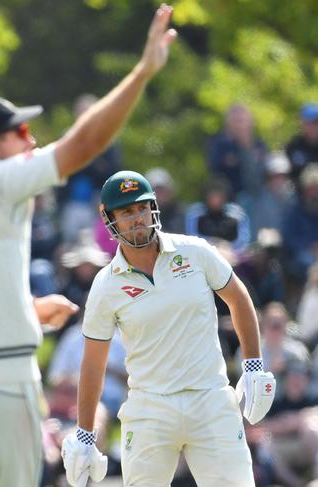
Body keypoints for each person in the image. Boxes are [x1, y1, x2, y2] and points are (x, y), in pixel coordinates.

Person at [0, 5, 177, 487]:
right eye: (21, 133)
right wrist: (143, 72)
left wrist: (27, 309)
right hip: (1, 373)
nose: (30, 141)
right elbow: (84, 143)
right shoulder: (1, 177)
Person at [62, 169, 277, 486]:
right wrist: (84, 433)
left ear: (153, 208)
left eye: (141, 208)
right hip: (150, 407)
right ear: (110, 219)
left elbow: (239, 298)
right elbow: (93, 362)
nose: (137, 218)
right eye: (126, 212)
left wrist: (254, 365)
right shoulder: (105, 285)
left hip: (210, 398)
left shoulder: (195, 251)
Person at [285, 102, 318, 185]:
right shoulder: (293, 146)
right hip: (299, 193)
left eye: (315, 123)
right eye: (308, 123)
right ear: (302, 123)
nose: (312, 126)